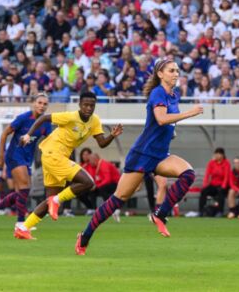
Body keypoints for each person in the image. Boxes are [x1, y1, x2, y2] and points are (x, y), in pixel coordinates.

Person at [76, 57, 203, 255]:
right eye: (171, 70)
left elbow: (166, 122)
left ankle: (160, 214)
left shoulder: (174, 94)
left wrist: (173, 130)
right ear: (160, 74)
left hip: (160, 154)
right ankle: (85, 236)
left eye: (177, 70)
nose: (176, 73)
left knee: (188, 174)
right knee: (118, 199)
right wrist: (189, 113)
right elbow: (161, 119)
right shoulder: (158, 92)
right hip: (143, 154)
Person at [16, 92, 123, 239]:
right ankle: (56, 201)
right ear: (79, 105)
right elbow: (44, 118)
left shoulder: (95, 121)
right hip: (53, 153)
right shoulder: (70, 116)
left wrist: (112, 135)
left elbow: (102, 143)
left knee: (50, 201)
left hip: (56, 157)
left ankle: (23, 227)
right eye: (85, 105)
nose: (88, 108)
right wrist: (28, 135)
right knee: (88, 182)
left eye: (92, 105)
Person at [0, 94, 53, 236]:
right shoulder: (24, 118)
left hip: (27, 158)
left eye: (45, 104)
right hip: (14, 155)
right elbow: (4, 133)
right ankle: (20, 223)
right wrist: (1, 156)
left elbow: (51, 140)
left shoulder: (46, 123)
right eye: (39, 102)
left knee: (24, 191)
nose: (42, 105)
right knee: (24, 187)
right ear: (34, 103)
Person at [198, 147, 229, 217]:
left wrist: (223, 186)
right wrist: (204, 185)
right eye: (216, 153)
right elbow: (207, 175)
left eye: (219, 154)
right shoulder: (211, 163)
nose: (218, 155)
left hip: (222, 185)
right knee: (203, 191)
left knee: (221, 192)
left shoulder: (226, 163)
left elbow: (226, 176)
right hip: (213, 185)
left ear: (223, 155)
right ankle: (201, 211)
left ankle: (220, 211)